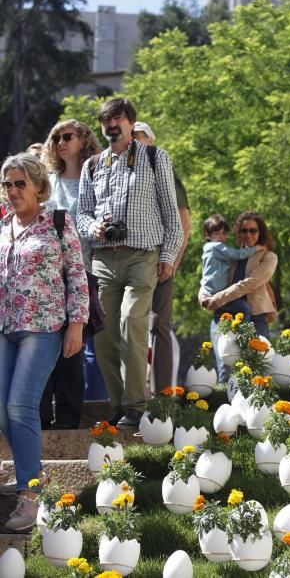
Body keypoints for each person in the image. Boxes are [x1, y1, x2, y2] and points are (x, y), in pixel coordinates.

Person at [77, 97, 183, 428]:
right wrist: (91, 226)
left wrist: (168, 256)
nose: (111, 126)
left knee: (130, 321)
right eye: (106, 121)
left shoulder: (155, 157)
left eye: (118, 120)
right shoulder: (92, 165)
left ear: (131, 124)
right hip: (104, 260)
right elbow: (81, 213)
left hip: (142, 256)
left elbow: (172, 214)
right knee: (104, 335)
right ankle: (118, 403)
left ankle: (137, 404)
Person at [0, 154, 88, 531]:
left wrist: (77, 324)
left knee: (21, 405)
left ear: (38, 186)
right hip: (6, 327)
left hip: (44, 325)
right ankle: (34, 473)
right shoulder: (3, 226)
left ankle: (30, 495)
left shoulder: (57, 220)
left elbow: (77, 274)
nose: (13, 190)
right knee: (1, 409)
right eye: (7, 184)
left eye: (20, 183)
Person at [39, 119, 103, 429]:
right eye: (55, 138)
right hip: (48, 275)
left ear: (83, 140)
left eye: (67, 136)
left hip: (86, 271)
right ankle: (43, 416)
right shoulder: (47, 181)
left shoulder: (96, 176)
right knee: (46, 346)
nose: (60, 143)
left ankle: (68, 420)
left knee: (75, 348)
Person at [132, 121, 191, 393]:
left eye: (140, 137)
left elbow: (183, 224)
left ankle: (163, 397)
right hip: (128, 266)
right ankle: (131, 397)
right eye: (131, 137)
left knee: (160, 328)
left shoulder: (163, 170)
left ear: (151, 141)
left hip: (160, 264)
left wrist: (172, 263)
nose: (134, 141)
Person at [202, 211, 277, 382]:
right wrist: (203, 296)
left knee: (257, 369)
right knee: (225, 368)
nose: (248, 234)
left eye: (253, 230)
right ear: (238, 233)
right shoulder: (230, 255)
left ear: (261, 232)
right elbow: (208, 276)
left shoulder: (268, 257)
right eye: (244, 231)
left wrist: (218, 298)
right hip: (225, 316)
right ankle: (222, 408)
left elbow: (247, 284)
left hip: (255, 318)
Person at [200, 213, 266, 322]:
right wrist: (256, 249)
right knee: (244, 309)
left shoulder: (209, 249)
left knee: (234, 312)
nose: (221, 237)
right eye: (217, 233)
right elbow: (236, 254)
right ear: (207, 234)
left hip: (212, 291)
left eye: (224, 233)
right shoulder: (216, 247)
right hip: (216, 292)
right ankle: (242, 333)